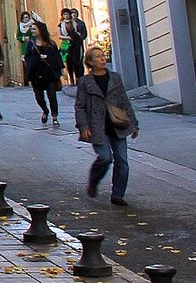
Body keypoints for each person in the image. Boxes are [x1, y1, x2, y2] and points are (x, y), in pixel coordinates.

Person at [73, 44, 137, 205]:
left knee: (122, 160)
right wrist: (83, 126)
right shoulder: (85, 82)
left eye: (103, 55)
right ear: (90, 62)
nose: (102, 59)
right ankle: (94, 181)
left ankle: (118, 195)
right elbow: (80, 106)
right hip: (98, 127)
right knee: (105, 158)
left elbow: (124, 100)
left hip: (118, 125)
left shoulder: (115, 77)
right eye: (98, 57)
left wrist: (134, 123)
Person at [23, 24, 64, 127]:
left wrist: (61, 70)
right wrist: (35, 60)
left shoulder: (51, 43)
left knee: (52, 95)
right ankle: (45, 110)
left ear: (41, 30)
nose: (32, 31)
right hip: (36, 74)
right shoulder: (31, 44)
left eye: (34, 29)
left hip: (49, 73)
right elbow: (27, 58)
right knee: (39, 97)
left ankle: (55, 116)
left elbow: (57, 58)